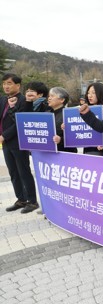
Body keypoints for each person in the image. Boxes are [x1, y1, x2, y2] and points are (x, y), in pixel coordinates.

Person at [1, 73, 39, 214]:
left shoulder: (24, 101)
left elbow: (20, 122)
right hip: (6, 143)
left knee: (24, 171)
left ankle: (32, 201)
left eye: (9, 83)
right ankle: (21, 199)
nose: (6, 86)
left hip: (18, 142)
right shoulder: (3, 100)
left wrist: (4, 135)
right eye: (4, 83)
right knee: (13, 172)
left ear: (18, 85)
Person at [82, 82, 103, 156]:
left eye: (93, 93)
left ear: (100, 94)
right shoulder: (83, 111)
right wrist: (67, 126)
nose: (90, 95)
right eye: (88, 93)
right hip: (87, 151)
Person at [47, 87, 77, 153]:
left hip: (65, 154)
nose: (49, 98)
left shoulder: (68, 115)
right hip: (48, 154)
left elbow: (75, 137)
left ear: (62, 100)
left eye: (52, 96)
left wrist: (61, 140)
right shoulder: (46, 114)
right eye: (49, 96)